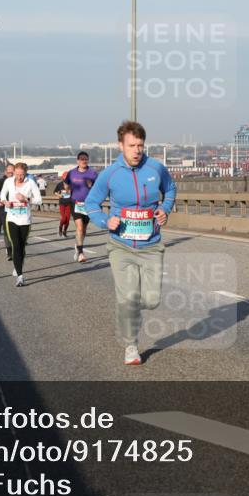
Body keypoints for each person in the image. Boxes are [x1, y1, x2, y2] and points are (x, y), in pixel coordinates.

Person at [84, 121, 175, 366]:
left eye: (140, 146)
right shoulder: (110, 174)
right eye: (131, 145)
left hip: (151, 245)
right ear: (120, 145)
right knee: (127, 298)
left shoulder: (156, 168)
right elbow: (91, 203)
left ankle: (132, 310)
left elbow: (171, 188)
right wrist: (105, 220)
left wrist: (165, 209)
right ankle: (131, 345)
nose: (136, 150)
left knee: (152, 299)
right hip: (120, 246)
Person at [0, 163, 42, 286]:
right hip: (12, 218)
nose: (19, 177)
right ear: (13, 173)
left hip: (25, 219)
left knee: (22, 247)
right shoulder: (8, 181)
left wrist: (26, 199)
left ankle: (18, 265)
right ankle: (20, 276)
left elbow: (39, 200)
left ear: (26, 173)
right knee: (16, 245)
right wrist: (5, 201)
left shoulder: (31, 183)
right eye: (16, 174)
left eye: (21, 174)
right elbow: (2, 194)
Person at [64, 151, 98, 263]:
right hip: (76, 203)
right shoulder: (72, 173)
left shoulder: (93, 173)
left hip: (88, 204)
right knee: (79, 227)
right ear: (77, 161)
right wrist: (68, 190)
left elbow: (98, 188)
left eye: (86, 159)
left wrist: (91, 185)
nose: (84, 161)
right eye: (82, 159)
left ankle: (78, 246)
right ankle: (80, 252)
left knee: (83, 230)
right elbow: (66, 184)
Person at [0, 164, 15, 260]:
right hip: (4, 208)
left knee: (15, 230)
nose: (10, 174)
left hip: (16, 209)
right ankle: (9, 251)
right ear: (5, 172)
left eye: (12, 172)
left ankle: (16, 248)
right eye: (9, 172)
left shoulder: (19, 181)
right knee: (6, 230)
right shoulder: (1, 182)